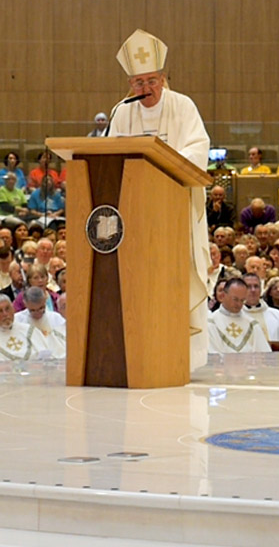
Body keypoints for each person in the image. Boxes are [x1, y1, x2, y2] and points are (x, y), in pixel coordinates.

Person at [107, 29, 211, 371]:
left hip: (173, 211)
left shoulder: (183, 106)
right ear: (130, 84)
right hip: (135, 216)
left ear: (163, 79)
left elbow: (197, 150)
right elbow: (109, 158)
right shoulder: (122, 112)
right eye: (138, 82)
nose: (145, 89)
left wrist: (158, 166)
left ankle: (184, 360)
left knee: (174, 282)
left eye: (152, 80)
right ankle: (140, 354)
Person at [0, 294, 47, 362]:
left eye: (7, 309)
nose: (5, 314)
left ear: (13, 310)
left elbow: (45, 355)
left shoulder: (29, 330)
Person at [206, 277, 271, 354]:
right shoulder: (210, 323)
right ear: (223, 295)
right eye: (235, 299)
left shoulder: (252, 324)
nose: (239, 304)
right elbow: (210, 353)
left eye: (242, 300)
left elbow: (265, 354)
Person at [15, 286, 66, 358]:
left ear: (45, 300)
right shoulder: (17, 320)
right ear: (25, 304)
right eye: (32, 310)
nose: (37, 313)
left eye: (41, 308)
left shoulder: (57, 319)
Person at [241, 272, 279, 351]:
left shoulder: (275, 314)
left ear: (261, 289)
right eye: (248, 286)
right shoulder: (235, 315)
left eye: (256, 286)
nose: (253, 290)